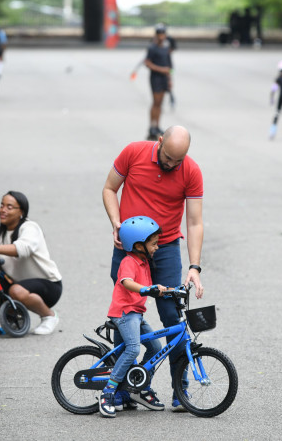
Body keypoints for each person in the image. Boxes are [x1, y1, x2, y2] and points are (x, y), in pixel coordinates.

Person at [102, 125, 204, 410]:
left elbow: (195, 222)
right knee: (127, 314)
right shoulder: (133, 152)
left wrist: (194, 266)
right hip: (130, 247)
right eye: (168, 158)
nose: (172, 165)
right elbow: (110, 188)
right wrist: (115, 222)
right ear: (159, 142)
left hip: (166, 247)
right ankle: (123, 389)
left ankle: (180, 390)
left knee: (173, 315)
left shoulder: (191, 171)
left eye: (178, 161)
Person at [98, 216, 169, 418]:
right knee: (133, 349)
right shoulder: (129, 261)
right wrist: (148, 289)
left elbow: (150, 287)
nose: (157, 247)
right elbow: (126, 282)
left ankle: (139, 388)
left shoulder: (144, 262)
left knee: (156, 348)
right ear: (138, 245)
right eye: (153, 243)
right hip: (124, 313)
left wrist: (170, 290)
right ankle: (108, 393)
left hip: (136, 314)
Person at [0, 191, 62, 335]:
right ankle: (14, 316)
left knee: (16, 290)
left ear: (21, 211)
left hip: (48, 285)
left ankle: (49, 316)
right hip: (16, 284)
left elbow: (20, 249)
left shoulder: (30, 227)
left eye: (9, 207)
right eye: (1, 205)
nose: (3, 210)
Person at [144, 24, 174, 139]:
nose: (161, 36)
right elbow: (147, 63)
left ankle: (157, 125)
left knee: (160, 103)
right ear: (156, 35)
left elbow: (170, 66)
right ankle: (152, 125)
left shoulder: (166, 48)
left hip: (164, 78)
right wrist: (161, 70)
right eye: (159, 34)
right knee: (155, 102)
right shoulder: (152, 48)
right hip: (155, 78)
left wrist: (170, 79)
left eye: (163, 34)